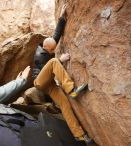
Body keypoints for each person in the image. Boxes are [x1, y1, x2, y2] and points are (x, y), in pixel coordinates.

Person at [29, 5, 92, 144]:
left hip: (50, 84)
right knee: (53, 61)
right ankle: (71, 90)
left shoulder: (48, 45)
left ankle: (79, 135)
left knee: (65, 105)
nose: (54, 50)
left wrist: (62, 17)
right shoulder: (40, 55)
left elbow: (56, 35)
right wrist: (60, 60)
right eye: (52, 50)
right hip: (40, 82)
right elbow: (51, 64)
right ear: (47, 48)